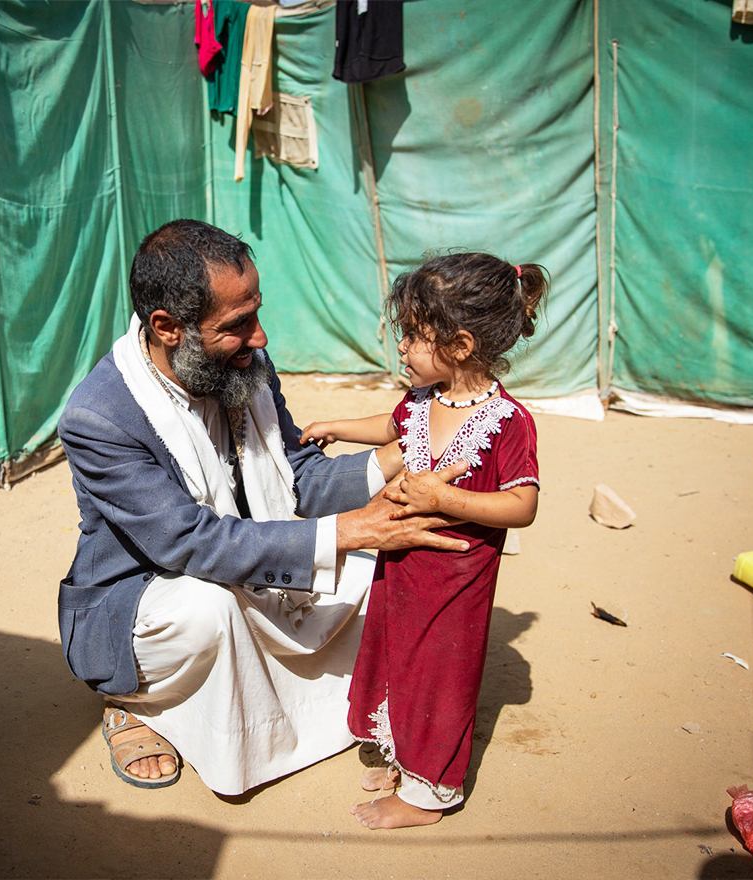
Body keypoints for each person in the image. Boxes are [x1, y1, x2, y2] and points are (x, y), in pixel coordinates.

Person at [56, 219, 470, 795]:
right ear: (167, 327)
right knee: (211, 606)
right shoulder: (100, 417)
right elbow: (191, 544)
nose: (262, 338)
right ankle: (137, 703)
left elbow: (298, 476)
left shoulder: (243, 366)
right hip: (149, 596)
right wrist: (351, 530)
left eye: (257, 312)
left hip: (246, 568)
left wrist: (400, 456)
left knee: (382, 564)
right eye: (238, 324)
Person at [300, 252, 548, 829]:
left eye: (413, 336)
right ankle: (402, 755)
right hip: (400, 567)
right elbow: (388, 428)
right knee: (398, 661)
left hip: (456, 581)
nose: (403, 348)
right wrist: (335, 426)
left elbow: (523, 504)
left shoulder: (508, 421)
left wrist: (445, 500)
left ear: (460, 345)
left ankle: (428, 794)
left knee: (440, 676)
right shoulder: (421, 402)